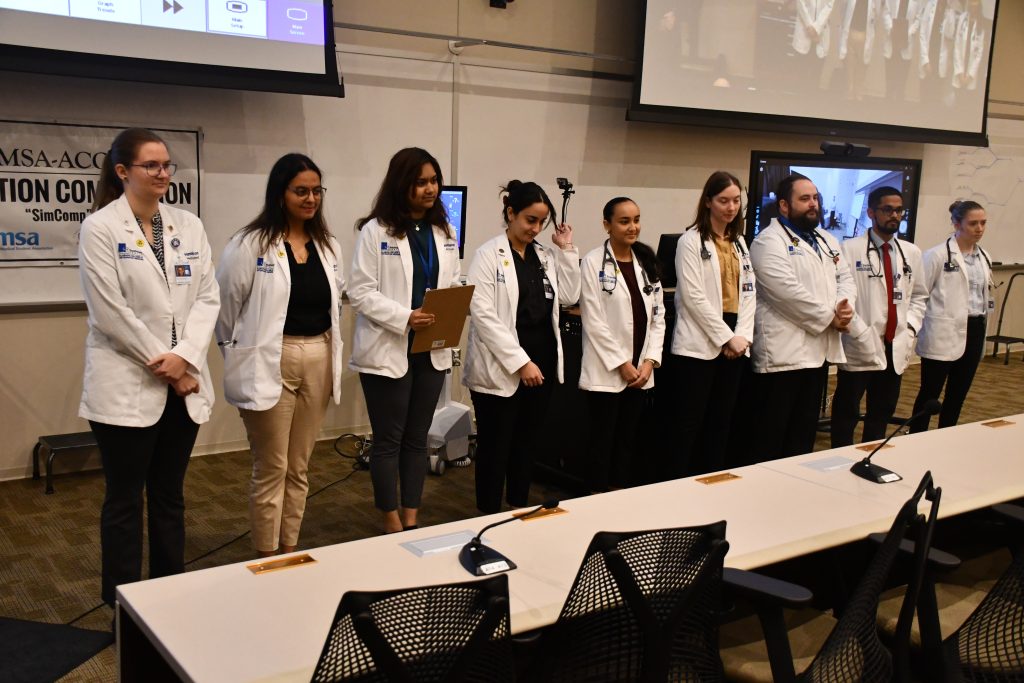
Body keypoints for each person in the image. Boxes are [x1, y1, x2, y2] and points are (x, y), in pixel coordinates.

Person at [78, 128, 219, 608]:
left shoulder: (188, 225)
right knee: (124, 501)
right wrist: (171, 367)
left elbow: (207, 298)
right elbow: (110, 313)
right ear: (123, 171)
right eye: (151, 165)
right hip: (126, 384)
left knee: (169, 497)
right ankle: (122, 608)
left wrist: (186, 356)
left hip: (184, 383)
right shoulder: (100, 228)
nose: (162, 173)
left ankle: (168, 600)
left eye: (166, 165)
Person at [216, 154, 344, 557]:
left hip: (318, 354)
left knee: (299, 466)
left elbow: (335, 303)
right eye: (301, 191)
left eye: (316, 191)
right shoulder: (250, 243)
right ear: (280, 193)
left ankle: (290, 547)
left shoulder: (328, 245)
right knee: (273, 466)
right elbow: (225, 307)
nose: (311, 199)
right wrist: (236, 355)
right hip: (271, 357)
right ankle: (266, 556)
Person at [348, 148, 462, 533]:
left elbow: (452, 282)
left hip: (430, 349)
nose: (430, 189)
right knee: (389, 441)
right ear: (402, 184)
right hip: (388, 347)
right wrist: (405, 317)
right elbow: (360, 292)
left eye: (434, 181)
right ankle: (390, 520)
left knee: (417, 439)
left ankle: (412, 517)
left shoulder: (444, 232)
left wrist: (454, 303)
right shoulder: (375, 231)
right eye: (421, 182)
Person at [463, 180, 580, 513]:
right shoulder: (488, 254)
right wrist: (520, 362)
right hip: (502, 365)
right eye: (530, 220)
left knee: (527, 443)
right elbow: (483, 314)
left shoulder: (544, 255)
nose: (536, 229)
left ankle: (518, 506)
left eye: (542, 222)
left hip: (541, 361)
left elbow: (569, 295)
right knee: (495, 446)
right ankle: (487, 512)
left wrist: (566, 250)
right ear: (511, 213)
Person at [747, 173, 856, 462]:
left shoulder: (827, 240)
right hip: (783, 356)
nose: (813, 204)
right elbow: (786, 293)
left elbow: (845, 279)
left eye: (815, 198)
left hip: (817, 355)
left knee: (803, 433)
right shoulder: (767, 242)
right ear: (784, 205)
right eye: (805, 199)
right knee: (772, 437)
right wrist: (830, 318)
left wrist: (844, 308)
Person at [670, 171, 755, 475]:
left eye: (736, 201)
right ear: (708, 202)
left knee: (722, 419)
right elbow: (693, 297)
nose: (731, 208)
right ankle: (679, 482)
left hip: (736, 337)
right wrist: (726, 337)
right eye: (723, 201)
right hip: (701, 341)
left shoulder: (739, 242)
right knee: (689, 422)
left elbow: (749, 292)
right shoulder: (691, 241)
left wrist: (742, 335)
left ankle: (714, 477)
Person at [578, 197, 665, 491]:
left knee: (628, 443)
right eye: (624, 221)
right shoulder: (593, 262)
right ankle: (595, 498)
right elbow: (594, 321)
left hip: (641, 371)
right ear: (607, 225)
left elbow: (658, 317)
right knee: (602, 443)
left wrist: (649, 361)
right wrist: (622, 364)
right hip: (608, 372)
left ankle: (618, 498)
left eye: (636, 220)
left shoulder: (646, 262)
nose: (633, 227)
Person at [831, 186, 928, 447]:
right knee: (847, 411)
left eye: (899, 210)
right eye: (887, 210)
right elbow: (841, 295)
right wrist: (860, 331)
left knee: (882, 411)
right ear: (871, 212)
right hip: (860, 341)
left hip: (895, 342)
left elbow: (919, 296)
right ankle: (839, 457)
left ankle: (872, 455)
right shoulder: (848, 249)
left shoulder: (911, 252)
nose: (894, 215)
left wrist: (910, 328)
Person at [910, 200, 994, 432]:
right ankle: (916, 436)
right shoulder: (936, 255)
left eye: (983, 223)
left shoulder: (984, 256)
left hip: (975, 328)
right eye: (973, 223)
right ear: (957, 224)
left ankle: (947, 434)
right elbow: (919, 294)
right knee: (930, 394)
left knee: (958, 394)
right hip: (942, 332)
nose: (979, 229)